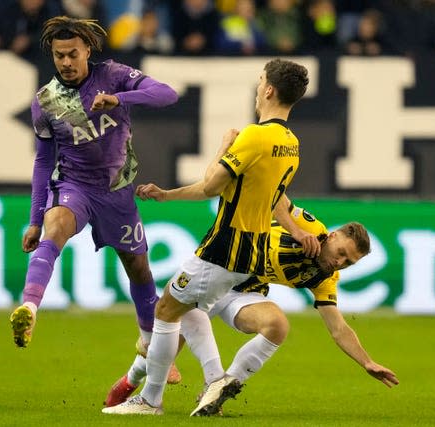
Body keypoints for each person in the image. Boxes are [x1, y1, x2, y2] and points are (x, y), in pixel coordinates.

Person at [102, 58, 310, 416]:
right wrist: (166, 194)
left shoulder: (255, 135)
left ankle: (150, 400)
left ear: (270, 90)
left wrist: (226, 146)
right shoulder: (291, 143)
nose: (258, 89)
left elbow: (212, 186)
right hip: (253, 249)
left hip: (226, 245)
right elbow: (271, 197)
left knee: (165, 309)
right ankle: (215, 378)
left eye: (260, 82)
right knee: (192, 308)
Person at [104, 195, 399, 415]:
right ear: (332, 236)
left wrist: (367, 362)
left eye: (349, 262)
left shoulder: (324, 276)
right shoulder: (310, 226)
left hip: (243, 291)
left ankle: (217, 387)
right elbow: (276, 197)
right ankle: (134, 381)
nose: (340, 262)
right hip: (220, 266)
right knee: (171, 335)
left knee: (278, 325)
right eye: (342, 253)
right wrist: (295, 231)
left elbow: (338, 328)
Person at [8, 15, 182, 381]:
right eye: (59, 56)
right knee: (56, 226)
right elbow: (43, 162)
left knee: (138, 269)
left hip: (118, 192)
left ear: (87, 49)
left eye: (73, 54)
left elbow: (168, 94)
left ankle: (150, 343)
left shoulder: (115, 75)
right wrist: (35, 219)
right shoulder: (45, 101)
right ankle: (28, 307)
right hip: (75, 186)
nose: (66, 63)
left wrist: (119, 99)